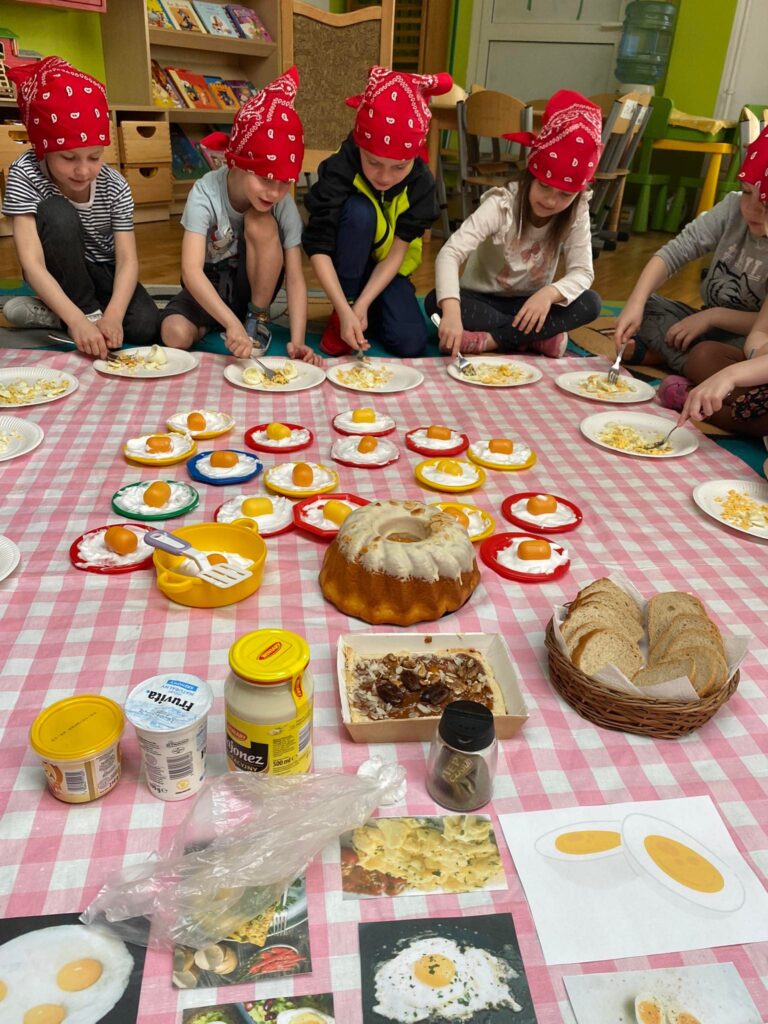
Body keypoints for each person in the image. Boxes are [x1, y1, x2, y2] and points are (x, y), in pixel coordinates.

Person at [2, 57, 160, 359]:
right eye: (69, 158)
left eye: (94, 157)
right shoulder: (24, 174)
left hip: (103, 271)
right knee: (57, 213)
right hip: (58, 267)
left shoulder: (115, 185)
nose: (84, 171)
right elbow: (32, 262)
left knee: (144, 325)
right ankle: (80, 312)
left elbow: (127, 261)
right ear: (43, 148)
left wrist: (113, 316)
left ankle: (54, 313)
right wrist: (79, 321)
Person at [425, 90, 603, 358]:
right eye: (544, 186)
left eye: (565, 195)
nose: (552, 201)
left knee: (591, 303)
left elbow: (583, 272)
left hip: (532, 305)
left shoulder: (576, 211)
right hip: (482, 299)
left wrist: (548, 295)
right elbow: (450, 253)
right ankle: (532, 340)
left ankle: (492, 341)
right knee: (434, 301)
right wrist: (451, 312)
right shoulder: (502, 204)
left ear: (578, 193)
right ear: (531, 174)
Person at [160, 66, 319, 363]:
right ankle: (220, 321)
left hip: (253, 289)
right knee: (173, 334)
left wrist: (297, 340)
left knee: (260, 220)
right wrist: (229, 323)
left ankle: (255, 318)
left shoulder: (280, 203)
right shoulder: (204, 192)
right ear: (237, 162)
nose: (274, 192)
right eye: (265, 179)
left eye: (284, 183)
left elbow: (295, 278)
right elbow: (191, 271)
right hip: (209, 285)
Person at [303, 65, 452, 357]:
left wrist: (361, 306)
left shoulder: (421, 182)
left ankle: (363, 311)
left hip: (388, 270)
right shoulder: (340, 167)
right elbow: (318, 245)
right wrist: (344, 307)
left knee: (410, 343)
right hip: (345, 263)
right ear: (359, 146)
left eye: (399, 167)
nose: (384, 177)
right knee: (359, 213)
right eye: (373, 163)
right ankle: (342, 313)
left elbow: (397, 255)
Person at [613, 124, 768, 406]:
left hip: (738, 343)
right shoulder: (732, 209)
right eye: (746, 193)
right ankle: (693, 370)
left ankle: (685, 369)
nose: (752, 209)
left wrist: (713, 317)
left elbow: (761, 329)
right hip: (717, 329)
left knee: (707, 355)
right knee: (646, 306)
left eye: (766, 205)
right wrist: (636, 302)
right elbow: (674, 252)